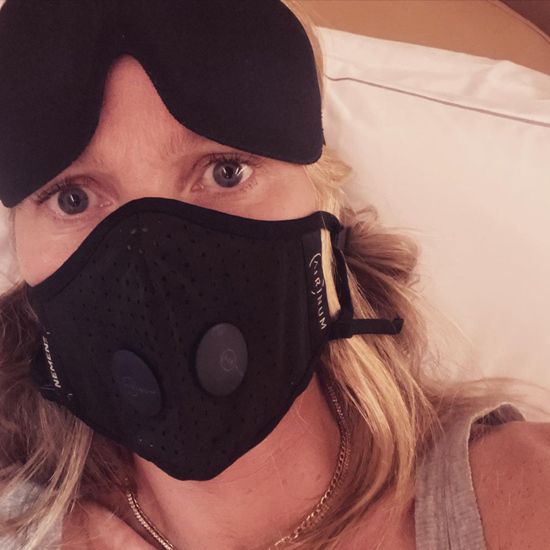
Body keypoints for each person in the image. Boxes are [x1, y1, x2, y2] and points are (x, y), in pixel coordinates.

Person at [0, 1, 549, 549]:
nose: (153, 267)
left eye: (225, 171)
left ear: (323, 201)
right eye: (73, 199)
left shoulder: (521, 498)